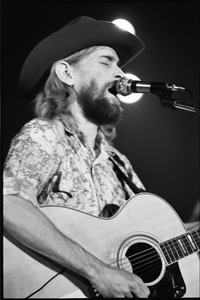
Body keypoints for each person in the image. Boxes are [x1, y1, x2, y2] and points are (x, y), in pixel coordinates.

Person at [3, 16, 198, 299]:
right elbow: (10, 205)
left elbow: (161, 233)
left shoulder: (119, 163)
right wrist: (98, 272)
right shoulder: (44, 135)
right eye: (107, 61)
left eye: (120, 65)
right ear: (67, 74)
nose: (120, 74)